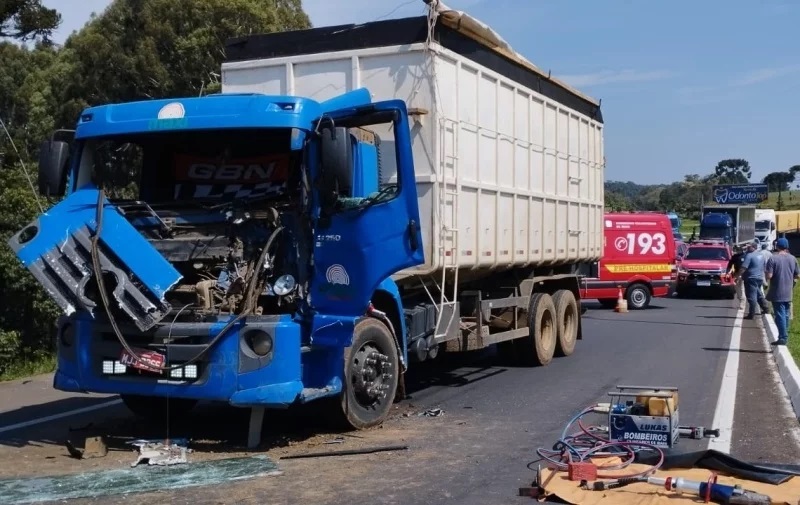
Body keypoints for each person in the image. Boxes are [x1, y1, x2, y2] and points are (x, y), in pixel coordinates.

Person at [765, 237, 800, 345]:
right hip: (788, 291)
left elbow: (769, 275)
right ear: (787, 247)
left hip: (777, 291)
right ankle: (784, 334)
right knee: (785, 314)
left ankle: (783, 337)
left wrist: (766, 274)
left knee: (779, 314)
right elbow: (797, 275)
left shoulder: (773, 259)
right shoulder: (793, 258)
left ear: (777, 246)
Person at [740, 241, 768, 319]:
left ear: (753, 247)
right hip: (759, 277)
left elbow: (743, 267)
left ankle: (751, 313)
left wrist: (738, 275)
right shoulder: (761, 255)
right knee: (758, 294)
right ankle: (765, 307)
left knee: (751, 296)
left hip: (750, 278)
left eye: (749, 247)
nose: (747, 248)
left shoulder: (749, 256)